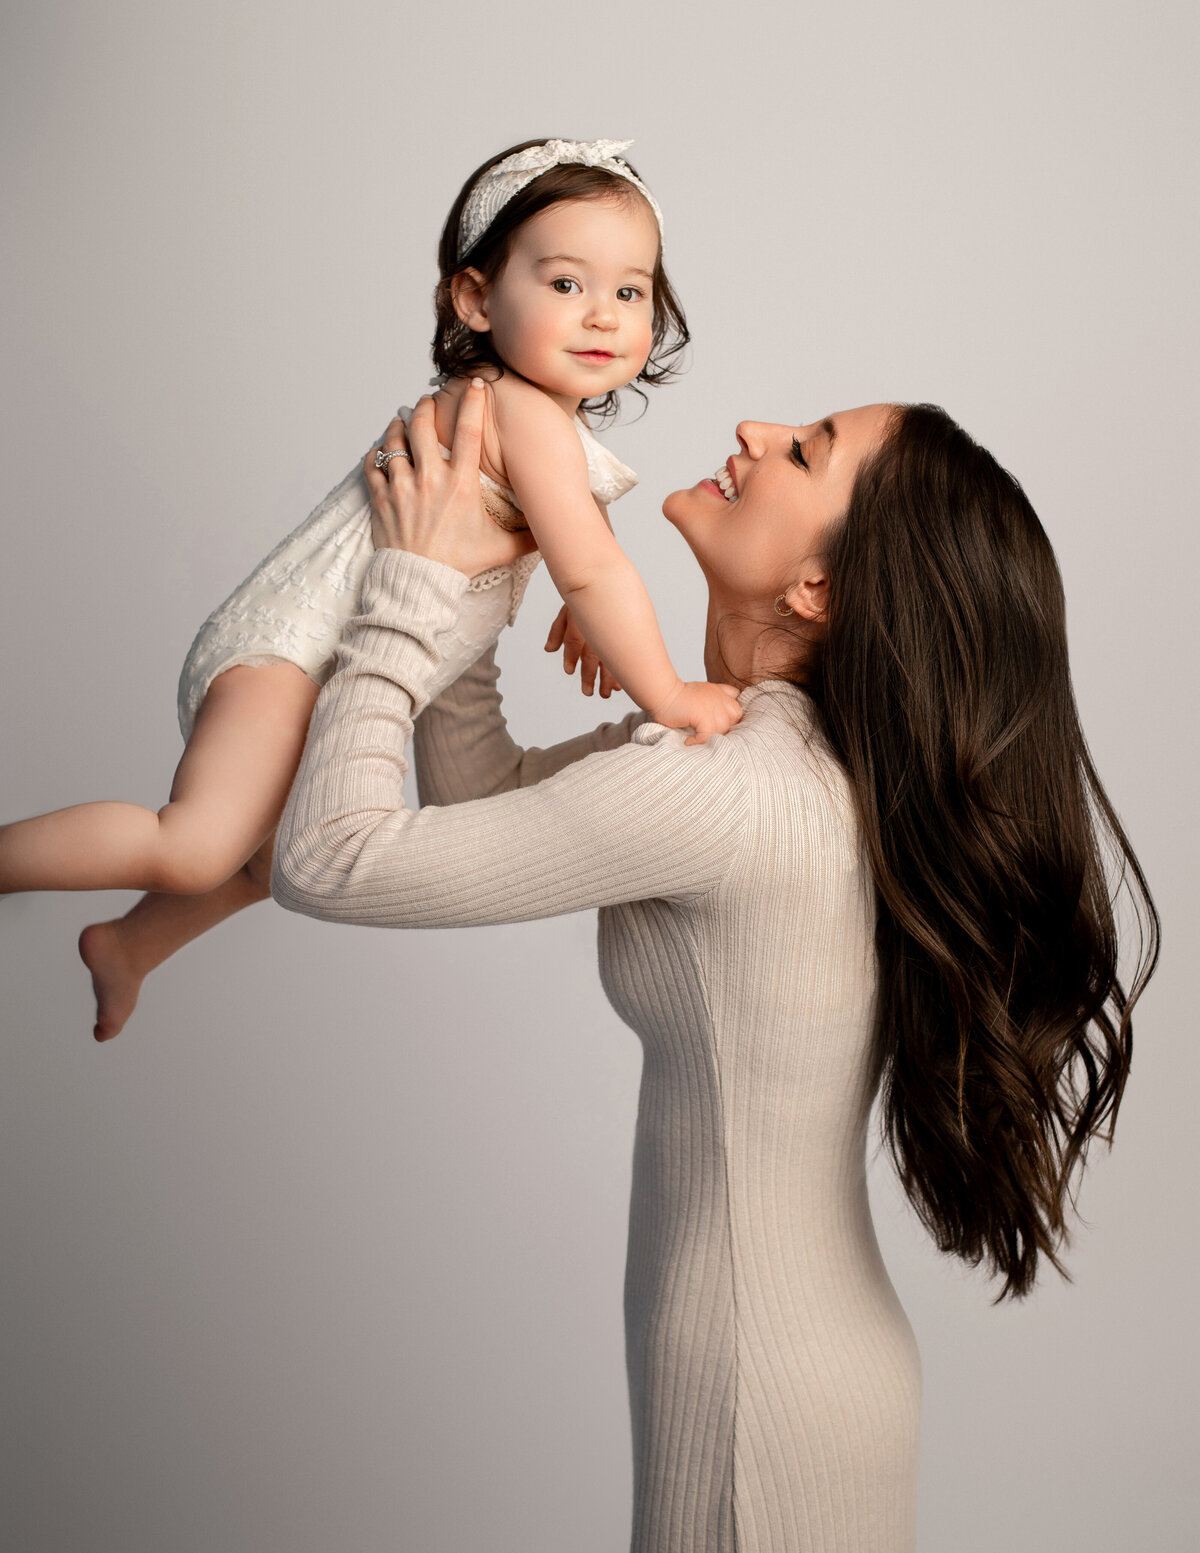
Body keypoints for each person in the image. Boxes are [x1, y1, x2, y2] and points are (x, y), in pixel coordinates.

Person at [271, 382, 1158, 1552]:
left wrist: (413, 583)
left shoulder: (728, 789)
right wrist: (488, 564)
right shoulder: (756, 752)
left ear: (818, 587)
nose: (752, 430)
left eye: (804, 449)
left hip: (759, 1394)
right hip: (792, 1363)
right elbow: (481, 799)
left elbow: (328, 858)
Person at [0, 136, 740, 1040]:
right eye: (564, 284)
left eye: (629, 292)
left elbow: (578, 540)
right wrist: (663, 688)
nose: (602, 316)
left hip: (318, 661)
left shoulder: (536, 418)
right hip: (291, 651)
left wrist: (580, 602)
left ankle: (127, 945)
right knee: (195, 844)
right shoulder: (513, 409)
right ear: (475, 298)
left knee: (263, 857)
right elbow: (589, 562)